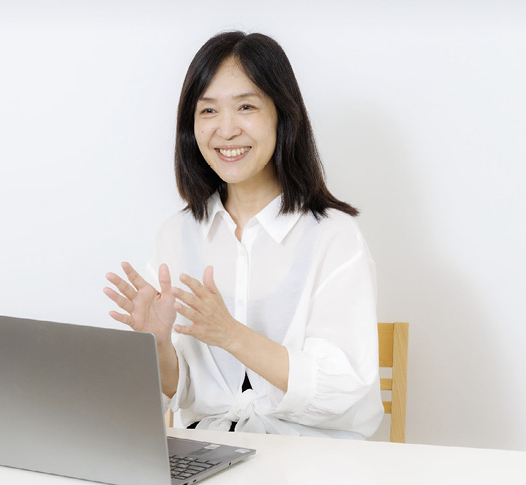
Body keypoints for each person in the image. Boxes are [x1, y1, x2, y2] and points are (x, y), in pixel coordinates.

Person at [104, 31, 383, 439]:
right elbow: (180, 391)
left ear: (283, 116)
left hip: (315, 458)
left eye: (246, 107)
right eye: (208, 111)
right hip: (211, 452)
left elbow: (342, 386)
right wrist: (158, 342)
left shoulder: (333, 236)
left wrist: (231, 335)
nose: (226, 129)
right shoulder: (176, 234)